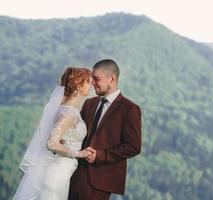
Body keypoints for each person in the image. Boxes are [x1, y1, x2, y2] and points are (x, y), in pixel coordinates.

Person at [13, 67, 91, 200]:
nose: (91, 84)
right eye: (88, 81)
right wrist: (80, 153)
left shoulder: (69, 110)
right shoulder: (68, 113)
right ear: (78, 86)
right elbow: (52, 143)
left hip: (63, 173)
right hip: (57, 176)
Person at [69, 59, 142, 200]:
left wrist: (100, 155)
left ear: (112, 78)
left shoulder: (130, 109)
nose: (92, 83)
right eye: (91, 79)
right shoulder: (89, 103)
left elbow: (133, 147)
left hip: (100, 180)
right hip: (74, 175)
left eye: (96, 79)